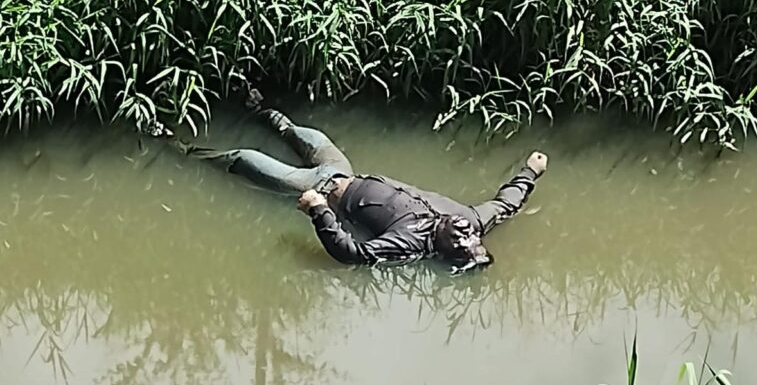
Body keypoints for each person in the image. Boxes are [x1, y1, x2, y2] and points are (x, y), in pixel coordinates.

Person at [163, 90, 548, 273]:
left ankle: (175, 146)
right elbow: (506, 204)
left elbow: (352, 254)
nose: (468, 232)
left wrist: (317, 211)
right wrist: (530, 171)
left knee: (243, 159)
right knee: (296, 132)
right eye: (474, 239)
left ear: (445, 253)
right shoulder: (471, 219)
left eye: (463, 243)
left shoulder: (408, 244)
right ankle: (254, 104)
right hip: (343, 169)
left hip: (316, 189)